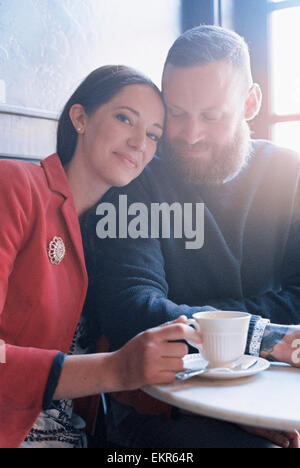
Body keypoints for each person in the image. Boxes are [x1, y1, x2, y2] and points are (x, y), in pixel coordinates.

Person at [81, 27, 300, 448]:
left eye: (211, 116)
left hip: (276, 394)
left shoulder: (289, 173)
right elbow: (133, 310)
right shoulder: (139, 177)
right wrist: (265, 335)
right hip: (164, 407)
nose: (191, 134)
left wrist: (201, 322)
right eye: (177, 113)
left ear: (250, 103)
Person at [0, 64, 203, 448]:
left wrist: (228, 418)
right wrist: (114, 368)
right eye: (125, 118)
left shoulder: (112, 235)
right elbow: (115, 368)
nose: (139, 142)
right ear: (80, 118)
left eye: (154, 135)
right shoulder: (14, 187)